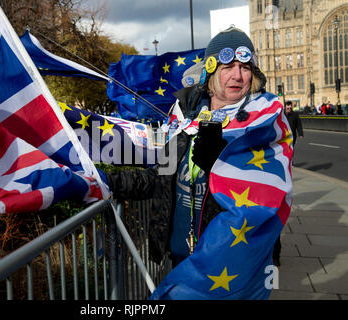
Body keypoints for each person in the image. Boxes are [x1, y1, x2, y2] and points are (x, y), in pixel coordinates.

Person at [105, 27, 293, 299]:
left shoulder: (264, 122)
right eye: (228, 66)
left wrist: (219, 159)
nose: (238, 76)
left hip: (230, 262)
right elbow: (160, 175)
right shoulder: (183, 120)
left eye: (245, 67)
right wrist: (107, 181)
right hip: (182, 258)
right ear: (211, 70)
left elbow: (265, 193)